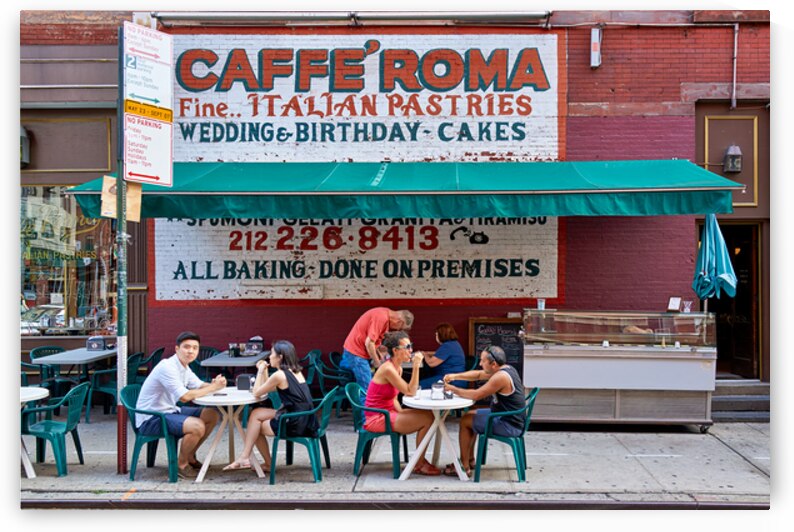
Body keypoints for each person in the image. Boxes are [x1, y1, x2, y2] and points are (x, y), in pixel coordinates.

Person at [135, 331, 226, 479]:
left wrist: (216, 384)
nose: (191, 351)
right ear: (177, 349)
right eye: (187, 347)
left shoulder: (184, 367)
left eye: (195, 348)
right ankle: (181, 465)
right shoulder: (168, 367)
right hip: (151, 418)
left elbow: (200, 385)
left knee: (212, 414)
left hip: (169, 411)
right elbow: (184, 397)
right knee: (197, 426)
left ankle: (189, 456)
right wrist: (213, 388)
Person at [223, 340, 317, 473]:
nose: (269, 357)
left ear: (280, 357)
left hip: (294, 422)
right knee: (256, 414)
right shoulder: (295, 372)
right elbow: (267, 387)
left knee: (255, 427)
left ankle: (255, 460)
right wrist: (265, 371)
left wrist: (260, 371)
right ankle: (249, 458)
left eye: (272, 353)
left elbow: (256, 392)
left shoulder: (280, 375)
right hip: (304, 417)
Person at [441, 345, 525, 477]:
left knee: (465, 421)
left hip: (508, 424)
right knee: (470, 415)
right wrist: (455, 376)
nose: (480, 363)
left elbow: (476, 395)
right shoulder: (506, 369)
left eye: (482, 361)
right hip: (509, 418)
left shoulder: (500, 378)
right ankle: (470, 460)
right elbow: (478, 374)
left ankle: (464, 466)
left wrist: (452, 389)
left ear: (494, 364)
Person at [364, 331, 440, 476]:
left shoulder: (396, 367)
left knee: (429, 415)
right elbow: (410, 391)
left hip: (388, 412)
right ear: (395, 350)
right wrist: (417, 366)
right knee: (427, 419)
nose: (411, 350)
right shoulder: (388, 369)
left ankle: (420, 460)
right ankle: (420, 463)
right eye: (407, 347)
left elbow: (392, 398)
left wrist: (400, 412)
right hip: (378, 417)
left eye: (411, 346)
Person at [340, 307, 414, 391]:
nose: (397, 330)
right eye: (400, 328)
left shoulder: (384, 313)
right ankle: (365, 404)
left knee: (369, 385)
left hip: (356, 352)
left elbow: (373, 342)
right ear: (399, 321)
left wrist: (378, 353)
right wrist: (378, 363)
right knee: (367, 388)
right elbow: (369, 343)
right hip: (356, 353)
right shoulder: (381, 318)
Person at [419, 322, 466, 389]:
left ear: (441, 335)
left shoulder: (447, 346)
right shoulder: (454, 344)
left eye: (436, 334)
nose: (436, 336)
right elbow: (439, 353)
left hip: (450, 379)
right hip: (456, 378)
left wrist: (425, 355)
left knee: (418, 385)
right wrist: (428, 353)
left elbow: (431, 363)